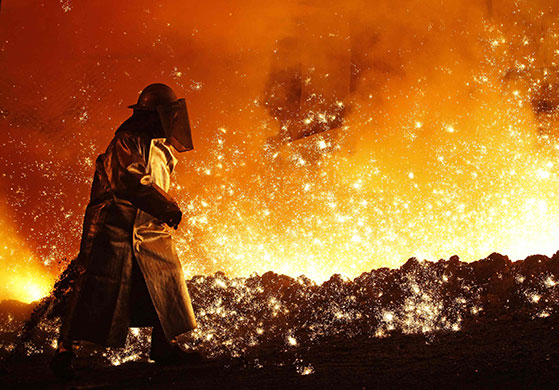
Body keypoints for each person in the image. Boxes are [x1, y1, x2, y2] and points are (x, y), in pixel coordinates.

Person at [50, 83, 199, 379]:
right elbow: (129, 181)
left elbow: (157, 184)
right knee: (96, 287)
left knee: (165, 279)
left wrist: (162, 212)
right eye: (167, 114)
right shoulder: (128, 140)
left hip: (148, 227)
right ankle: (65, 353)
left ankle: (163, 346)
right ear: (155, 114)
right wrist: (166, 207)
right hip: (114, 225)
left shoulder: (162, 149)